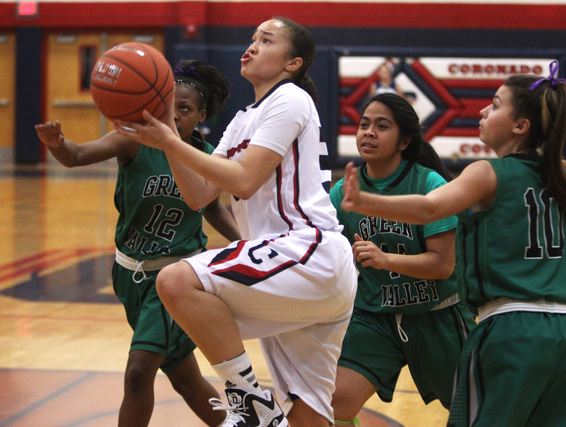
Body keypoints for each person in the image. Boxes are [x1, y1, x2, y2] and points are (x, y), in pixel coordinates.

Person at [341, 60, 566, 426]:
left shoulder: (488, 172)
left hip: (510, 329)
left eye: (496, 104)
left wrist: (364, 202)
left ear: (520, 126)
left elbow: (429, 208)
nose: (484, 110)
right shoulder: (557, 171)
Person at [114, 17, 358, 427]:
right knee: (308, 413)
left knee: (176, 281)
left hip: (307, 250)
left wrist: (171, 142)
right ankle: (259, 408)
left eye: (266, 40)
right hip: (294, 272)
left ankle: (249, 405)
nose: (252, 46)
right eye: (252, 38)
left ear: (292, 63)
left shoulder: (291, 99)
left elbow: (245, 179)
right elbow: (199, 195)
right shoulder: (244, 119)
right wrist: (169, 135)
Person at [35, 59, 241, 427]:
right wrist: (58, 144)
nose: (175, 116)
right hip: (129, 275)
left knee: (138, 372)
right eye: (169, 106)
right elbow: (78, 156)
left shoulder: (208, 157)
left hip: (176, 280)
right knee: (186, 380)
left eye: (186, 109)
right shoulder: (133, 140)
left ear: (202, 115)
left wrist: (249, 245)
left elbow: (212, 209)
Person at [329, 93, 476, 426]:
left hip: (437, 317)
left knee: (475, 411)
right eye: (364, 124)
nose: (368, 132)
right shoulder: (343, 192)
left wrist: (384, 260)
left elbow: (443, 265)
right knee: (336, 400)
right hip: (375, 317)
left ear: (404, 141)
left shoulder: (429, 183)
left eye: (382, 126)